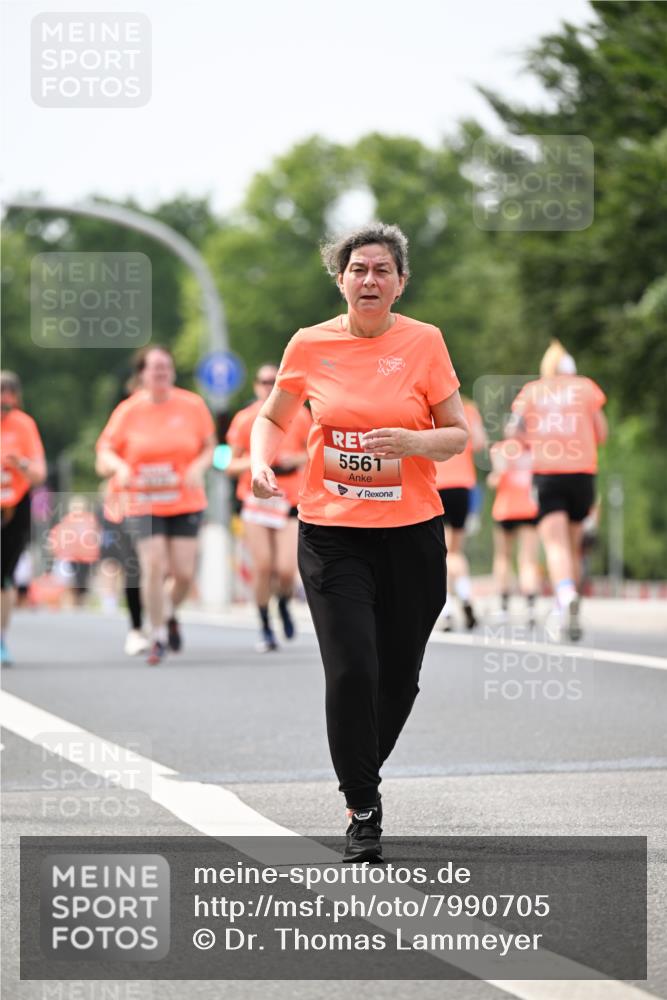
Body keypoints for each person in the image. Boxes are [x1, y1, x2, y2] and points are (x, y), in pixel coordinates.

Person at [250, 223, 467, 862]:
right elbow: (272, 416)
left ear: (400, 283)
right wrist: (262, 462)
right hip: (332, 532)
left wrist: (412, 443)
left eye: (381, 270)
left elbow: (456, 436)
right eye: (357, 269)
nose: (369, 279)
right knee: (351, 670)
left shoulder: (424, 343)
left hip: (412, 535)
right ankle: (362, 805)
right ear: (340, 279)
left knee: (398, 677)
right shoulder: (309, 345)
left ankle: (360, 764)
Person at [96, 346, 216, 664]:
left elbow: (209, 445)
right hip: (143, 500)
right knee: (154, 565)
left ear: (173, 372)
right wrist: (120, 467)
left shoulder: (192, 405)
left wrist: (197, 466)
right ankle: (158, 634)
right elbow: (104, 451)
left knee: (184, 573)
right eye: (155, 368)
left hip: (185, 499)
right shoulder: (128, 411)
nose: (161, 373)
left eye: (166, 367)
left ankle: (169, 611)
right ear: (142, 374)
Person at [510, 340, 607, 640]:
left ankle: (565, 597)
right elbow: (602, 433)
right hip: (583, 474)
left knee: (555, 546)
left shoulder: (533, 391)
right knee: (574, 547)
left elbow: (514, 431)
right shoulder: (586, 388)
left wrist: (534, 441)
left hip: (549, 474)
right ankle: (565, 607)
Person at [226, 364, 311, 651]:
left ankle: (285, 603)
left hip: (289, 498)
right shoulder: (245, 419)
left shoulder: (300, 415)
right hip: (256, 500)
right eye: (262, 381)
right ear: (254, 386)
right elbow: (229, 464)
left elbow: (315, 451)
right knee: (263, 566)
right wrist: (257, 463)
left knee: (286, 569)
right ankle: (264, 625)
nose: (268, 386)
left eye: (273, 381)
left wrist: (293, 460)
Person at [1, 371, 47, 665]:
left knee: (3, 577)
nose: (4, 399)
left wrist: (23, 464)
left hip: (14, 508)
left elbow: (39, 475)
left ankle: (1, 639)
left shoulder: (24, 425)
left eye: (9, 393)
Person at [433, 397, 486, 630]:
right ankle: (464, 595)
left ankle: (445, 611)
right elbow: (480, 442)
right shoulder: (468, 408)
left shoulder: (428, 408)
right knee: (455, 551)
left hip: (436, 484)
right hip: (462, 485)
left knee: (440, 553)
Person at [487, 435, 540, 625]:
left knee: (503, 557)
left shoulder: (500, 449)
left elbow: (495, 480)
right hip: (529, 508)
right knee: (528, 560)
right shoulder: (536, 450)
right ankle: (531, 607)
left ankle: (503, 607)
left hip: (506, 509)